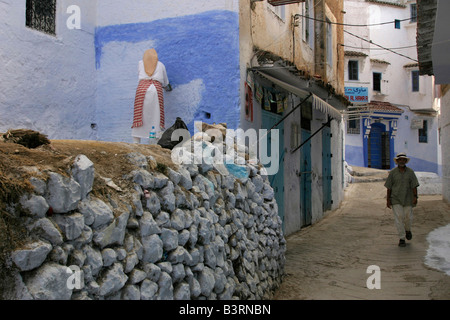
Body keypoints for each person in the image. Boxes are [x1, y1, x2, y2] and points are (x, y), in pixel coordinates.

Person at [131, 49, 172, 144]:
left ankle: (136, 141)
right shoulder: (161, 65)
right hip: (156, 90)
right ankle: (156, 140)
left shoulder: (140, 63)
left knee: (140, 114)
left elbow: (139, 74)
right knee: (156, 115)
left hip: (141, 90)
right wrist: (168, 88)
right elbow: (166, 82)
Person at [384, 153, 420, 247]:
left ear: (405, 161)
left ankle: (408, 230)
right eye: (400, 160)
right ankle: (402, 238)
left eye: (403, 160)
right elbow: (389, 187)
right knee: (399, 218)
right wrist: (388, 199)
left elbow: (414, 185)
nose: (402, 161)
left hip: (408, 198)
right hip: (396, 198)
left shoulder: (410, 172)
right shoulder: (392, 173)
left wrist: (415, 197)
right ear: (397, 161)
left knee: (408, 217)